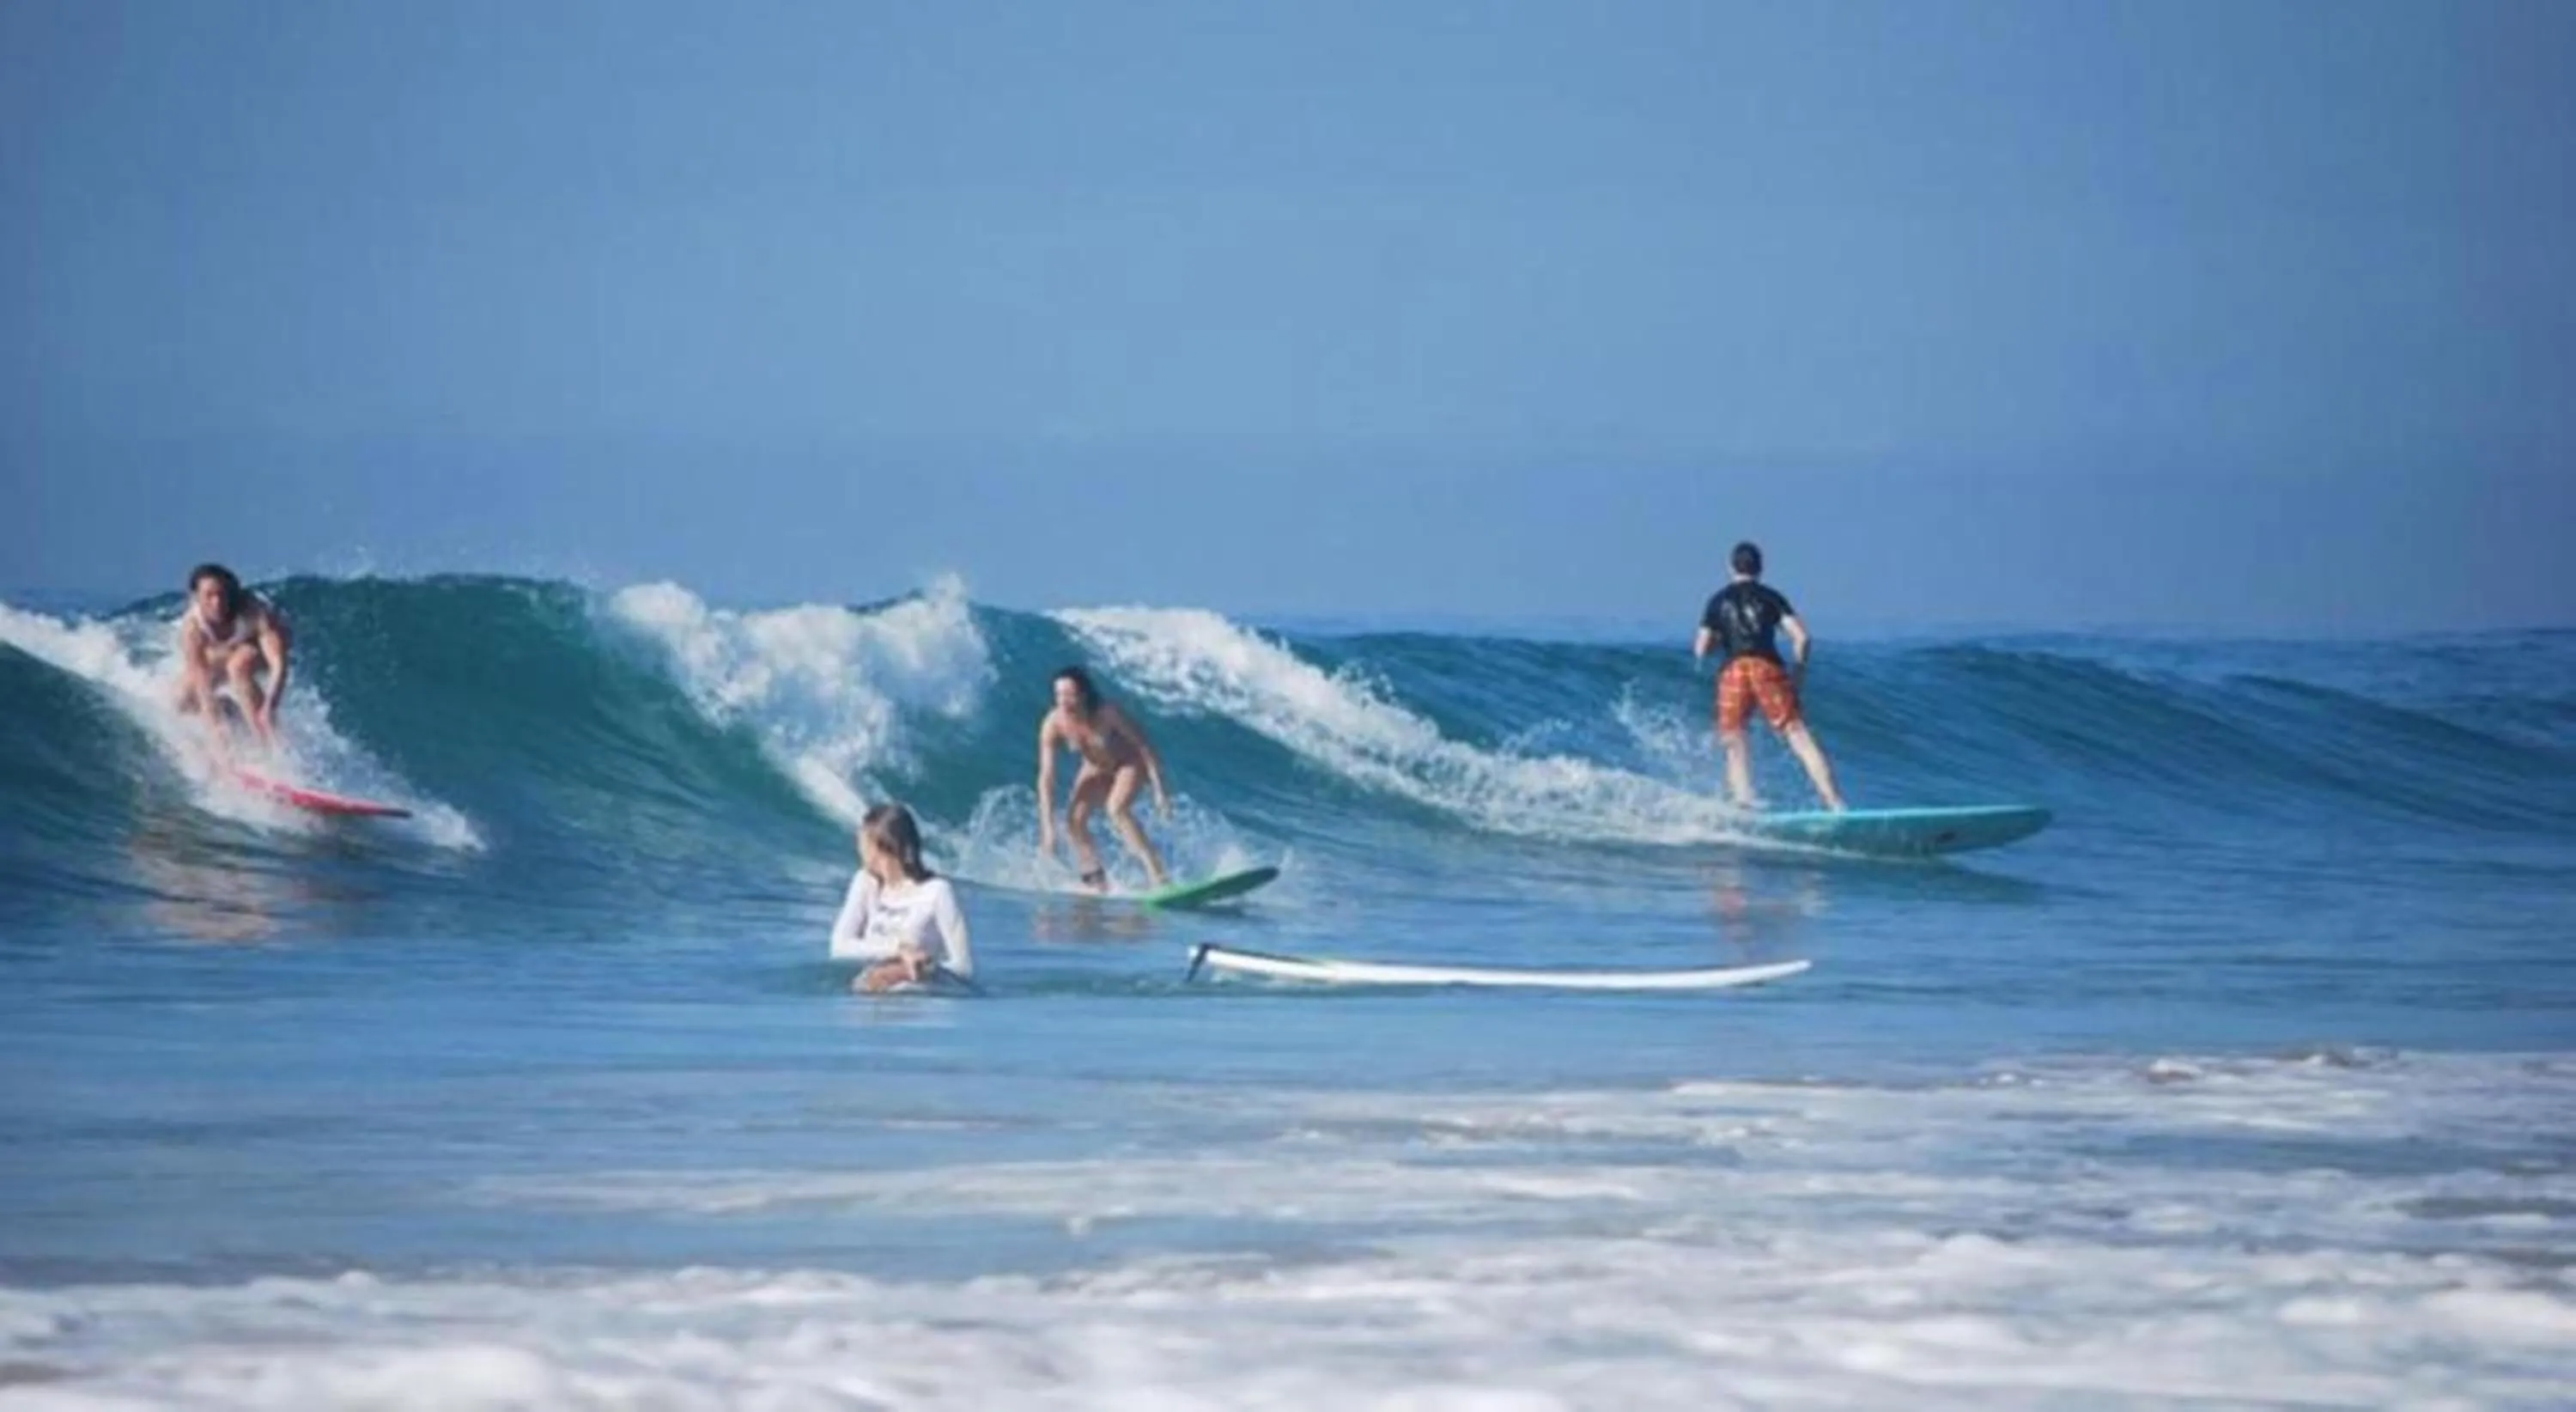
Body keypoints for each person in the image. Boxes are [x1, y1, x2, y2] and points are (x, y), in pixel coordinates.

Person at [1693, 541, 1847, 812]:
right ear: (1760, 568)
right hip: (1767, 667)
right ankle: (1835, 804)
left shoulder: (1718, 600)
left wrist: (1722, 637)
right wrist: (1798, 674)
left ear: (1731, 568)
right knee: (1797, 734)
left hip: (1733, 670)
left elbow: (1701, 648)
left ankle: (1744, 804)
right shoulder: (1772, 597)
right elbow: (1802, 638)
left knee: (1735, 738)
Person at [1036, 666, 1171, 891]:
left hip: (1129, 763)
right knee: (1074, 821)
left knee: (1116, 809)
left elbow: (1144, 747)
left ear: (1083, 695)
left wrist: (1160, 790)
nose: (1063, 701)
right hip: (1095, 767)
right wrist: (1048, 828)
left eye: (1069, 695)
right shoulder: (1053, 724)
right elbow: (1046, 777)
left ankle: (1159, 875)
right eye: (1058, 694)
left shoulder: (1107, 713)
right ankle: (1097, 881)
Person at [829, 803, 975, 994]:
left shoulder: (937, 892)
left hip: (918, 1001)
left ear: (880, 846)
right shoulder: (866, 883)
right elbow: (839, 947)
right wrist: (899, 949)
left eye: (863, 842)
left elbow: (964, 968)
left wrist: (915, 971)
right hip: (870, 1003)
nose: (858, 848)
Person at [173, 563, 293, 753]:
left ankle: (267, 745)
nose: (217, 602)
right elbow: (202, 683)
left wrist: (270, 705)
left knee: (239, 666)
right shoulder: (193, 628)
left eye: (222, 594)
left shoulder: (254, 610)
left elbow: (279, 664)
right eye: (209, 596)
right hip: (227, 649)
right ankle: (230, 712)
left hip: (259, 645)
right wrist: (217, 735)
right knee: (183, 698)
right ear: (196, 597)